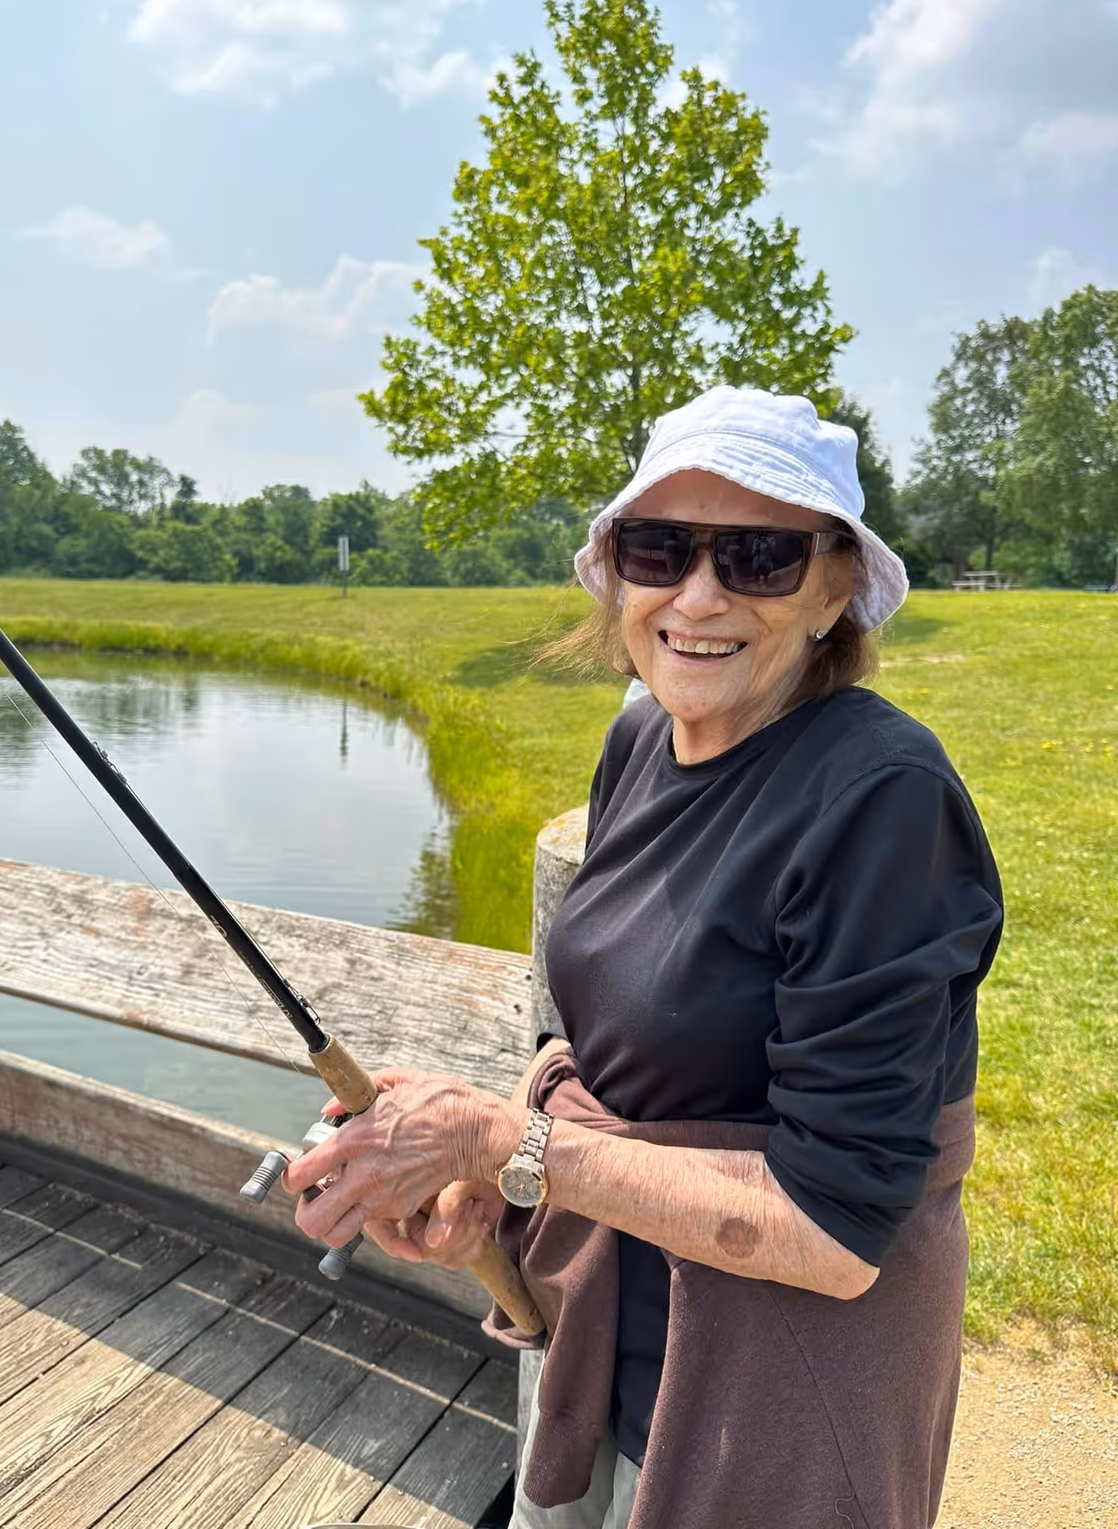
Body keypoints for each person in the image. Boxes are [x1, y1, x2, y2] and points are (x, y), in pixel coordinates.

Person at [283, 386, 1004, 1529]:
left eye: (759, 557)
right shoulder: (641, 732)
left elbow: (834, 1231)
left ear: (833, 590)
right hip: (603, 1325)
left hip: (784, 1384)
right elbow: (610, 1036)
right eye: (659, 547)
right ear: (616, 571)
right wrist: (496, 1181)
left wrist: (496, 1134)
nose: (699, 595)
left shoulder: (882, 801)